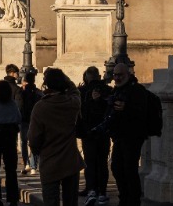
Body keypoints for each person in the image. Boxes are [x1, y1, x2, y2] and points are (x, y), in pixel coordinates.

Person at [94, 59, 161, 206]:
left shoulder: (137, 90)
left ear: (128, 74)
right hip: (120, 136)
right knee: (117, 167)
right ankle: (124, 198)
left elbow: (141, 112)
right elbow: (111, 110)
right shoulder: (118, 90)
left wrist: (126, 107)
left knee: (129, 169)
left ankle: (133, 201)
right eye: (115, 74)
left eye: (120, 75)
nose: (116, 77)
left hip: (133, 136)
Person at [26, 69, 82, 206]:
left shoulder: (40, 107)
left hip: (49, 161)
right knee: (71, 201)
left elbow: (33, 138)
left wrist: (37, 151)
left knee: (51, 201)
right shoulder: (72, 103)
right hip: (70, 160)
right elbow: (75, 91)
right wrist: (66, 79)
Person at [76, 68, 110, 204]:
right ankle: (102, 191)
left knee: (90, 162)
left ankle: (91, 190)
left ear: (86, 78)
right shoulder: (107, 90)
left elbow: (80, 112)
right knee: (102, 162)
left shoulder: (82, 92)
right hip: (103, 132)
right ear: (99, 76)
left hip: (88, 132)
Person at [16, 71, 41, 176]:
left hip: (24, 120)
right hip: (34, 120)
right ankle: (33, 166)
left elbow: (19, 106)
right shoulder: (38, 93)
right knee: (33, 143)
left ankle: (26, 163)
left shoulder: (21, 93)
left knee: (24, 142)